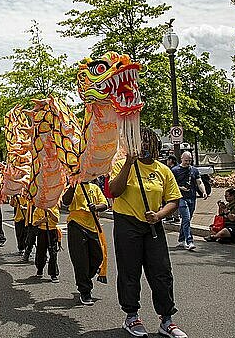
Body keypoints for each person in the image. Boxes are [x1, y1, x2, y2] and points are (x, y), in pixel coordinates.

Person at [109, 127, 187, 338]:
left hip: (153, 225)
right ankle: (131, 316)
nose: (145, 147)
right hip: (127, 224)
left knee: (161, 272)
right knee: (129, 271)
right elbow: (114, 191)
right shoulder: (121, 165)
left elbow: (174, 200)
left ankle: (167, 320)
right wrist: (128, 162)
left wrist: (159, 215)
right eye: (141, 143)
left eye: (149, 143)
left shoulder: (163, 170)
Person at [62, 181, 108, 306]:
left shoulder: (95, 187)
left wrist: (96, 207)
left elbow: (105, 204)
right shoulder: (72, 186)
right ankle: (85, 291)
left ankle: (85, 279)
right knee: (80, 260)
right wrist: (73, 184)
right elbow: (65, 201)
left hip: (92, 226)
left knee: (98, 257)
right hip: (76, 224)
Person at [172, 151, 208, 251]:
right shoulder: (175, 170)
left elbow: (199, 182)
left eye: (190, 160)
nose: (188, 162)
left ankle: (181, 239)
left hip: (192, 197)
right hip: (181, 198)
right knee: (186, 218)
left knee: (187, 219)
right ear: (182, 159)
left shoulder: (194, 170)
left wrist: (204, 192)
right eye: (186, 160)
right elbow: (171, 185)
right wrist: (180, 188)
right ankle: (189, 241)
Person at [31, 206, 61, 283]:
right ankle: (40, 269)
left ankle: (53, 274)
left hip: (52, 232)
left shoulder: (54, 208)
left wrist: (50, 211)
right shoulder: (38, 209)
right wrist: (42, 221)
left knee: (53, 253)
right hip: (42, 232)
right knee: (41, 252)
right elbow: (34, 223)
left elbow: (56, 220)